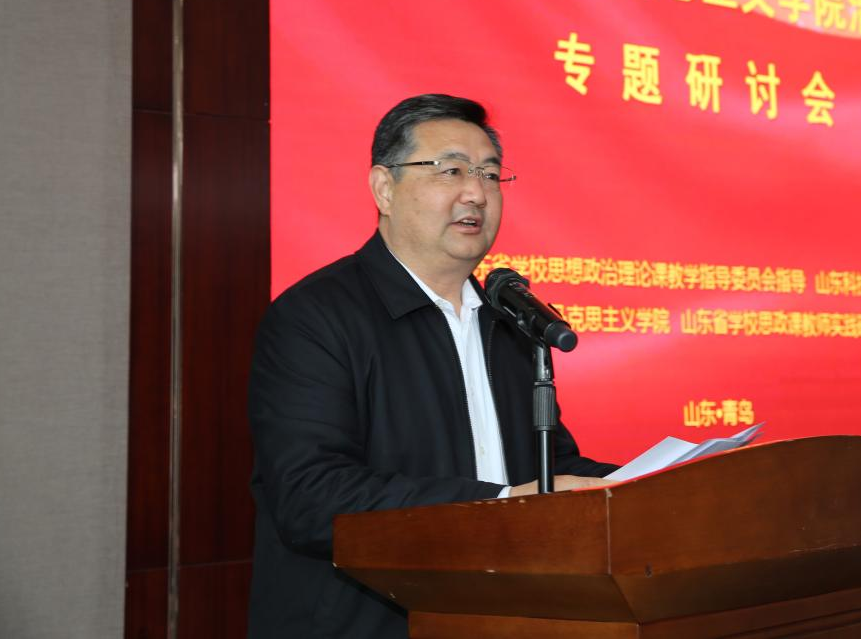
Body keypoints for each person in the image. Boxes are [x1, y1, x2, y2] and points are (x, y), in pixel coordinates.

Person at [247, 94, 615, 638]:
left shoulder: (510, 322)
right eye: (451, 170)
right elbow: (311, 497)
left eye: (490, 174)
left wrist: (658, 484)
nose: (476, 193)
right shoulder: (315, 317)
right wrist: (499, 504)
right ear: (384, 188)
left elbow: (548, 468)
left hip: (508, 620)